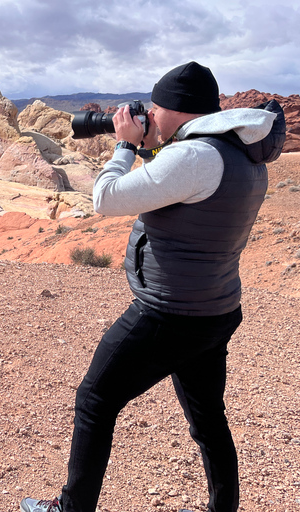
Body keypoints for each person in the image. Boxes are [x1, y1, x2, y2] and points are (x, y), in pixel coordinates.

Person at [21, 62, 285, 512]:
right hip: (215, 308)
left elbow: (106, 198)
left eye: (156, 108)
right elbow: (182, 191)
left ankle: (72, 509)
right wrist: (150, 149)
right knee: (207, 418)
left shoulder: (196, 156)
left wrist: (124, 145)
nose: (152, 116)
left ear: (178, 112)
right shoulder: (240, 153)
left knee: (95, 400)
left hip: (170, 312)